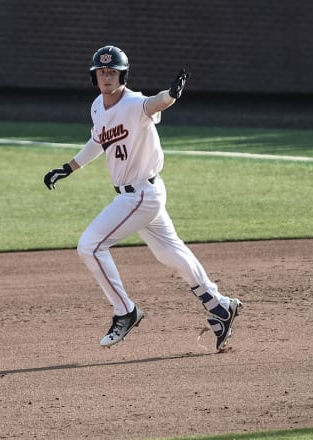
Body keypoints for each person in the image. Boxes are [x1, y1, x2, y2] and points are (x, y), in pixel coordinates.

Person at [43, 45, 242, 351]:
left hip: (140, 195)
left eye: (112, 72)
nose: (106, 77)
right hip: (143, 196)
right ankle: (219, 306)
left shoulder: (135, 103)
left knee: (90, 246)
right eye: (101, 72)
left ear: (122, 75)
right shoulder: (98, 106)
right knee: (171, 254)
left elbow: (155, 103)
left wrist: (171, 95)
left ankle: (125, 311)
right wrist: (68, 168)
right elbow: (98, 140)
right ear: (94, 77)